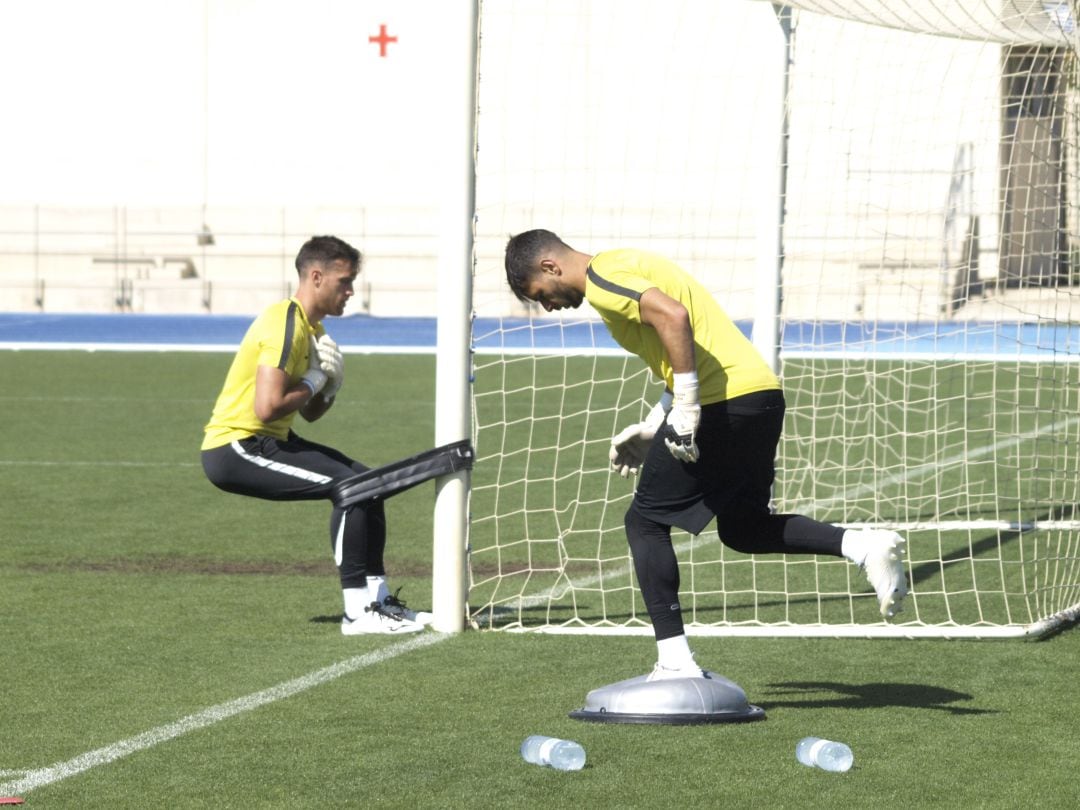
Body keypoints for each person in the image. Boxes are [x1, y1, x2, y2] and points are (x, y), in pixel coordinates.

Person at [503, 229, 908, 680]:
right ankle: (863, 545)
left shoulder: (602, 277)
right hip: (759, 398)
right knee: (744, 528)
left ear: (550, 267)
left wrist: (688, 405)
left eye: (539, 295)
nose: (547, 306)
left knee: (645, 521)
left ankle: (675, 662)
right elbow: (681, 344)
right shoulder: (623, 262)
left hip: (723, 403)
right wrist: (656, 421)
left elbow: (674, 317)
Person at [201, 235, 430, 635]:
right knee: (352, 487)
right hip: (236, 446)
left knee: (369, 484)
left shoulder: (312, 328)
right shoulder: (285, 324)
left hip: (269, 440)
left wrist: (328, 388)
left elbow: (309, 413)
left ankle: (379, 602)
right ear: (317, 276)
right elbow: (267, 407)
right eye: (344, 281)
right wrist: (312, 379)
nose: (351, 291)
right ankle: (357, 611)